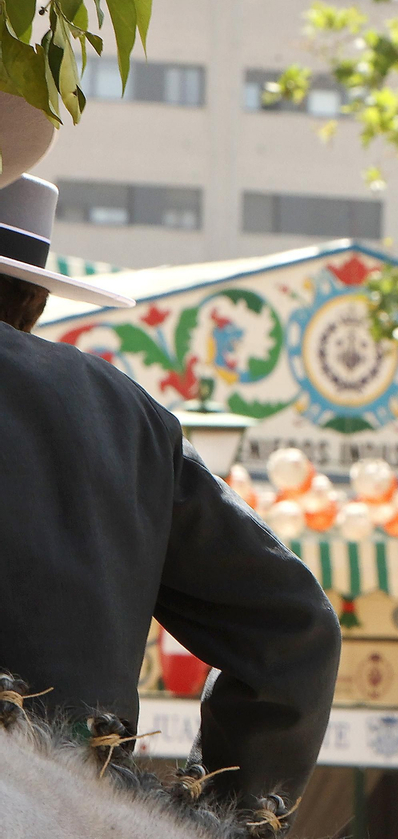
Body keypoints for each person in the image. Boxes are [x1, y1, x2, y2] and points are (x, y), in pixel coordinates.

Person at [0, 170, 341, 803]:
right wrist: (227, 834)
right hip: (71, 826)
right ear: (35, 300)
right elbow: (296, 632)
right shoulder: (128, 418)